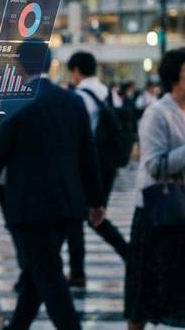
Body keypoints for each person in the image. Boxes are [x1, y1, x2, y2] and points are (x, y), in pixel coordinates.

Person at [0, 42, 105, 330]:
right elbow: (89, 152)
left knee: (47, 273)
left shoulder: (14, 101)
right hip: (68, 200)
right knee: (41, 270)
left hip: (29, 202)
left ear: (21, 66)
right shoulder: (72, 100)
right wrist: (96, 200)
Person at [125, 47, 185, 329]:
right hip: (160, 214)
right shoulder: (156, 113)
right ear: (173, 75)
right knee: (146, 291)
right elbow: (153, 165)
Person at [65, 51, 129, 287]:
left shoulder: (79, 96)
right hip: (109, 164)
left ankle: (78, 271)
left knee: (79, 218)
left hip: (86, 165)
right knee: (95, 215)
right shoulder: (110, 94)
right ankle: (127, 255)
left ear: (76, 71)